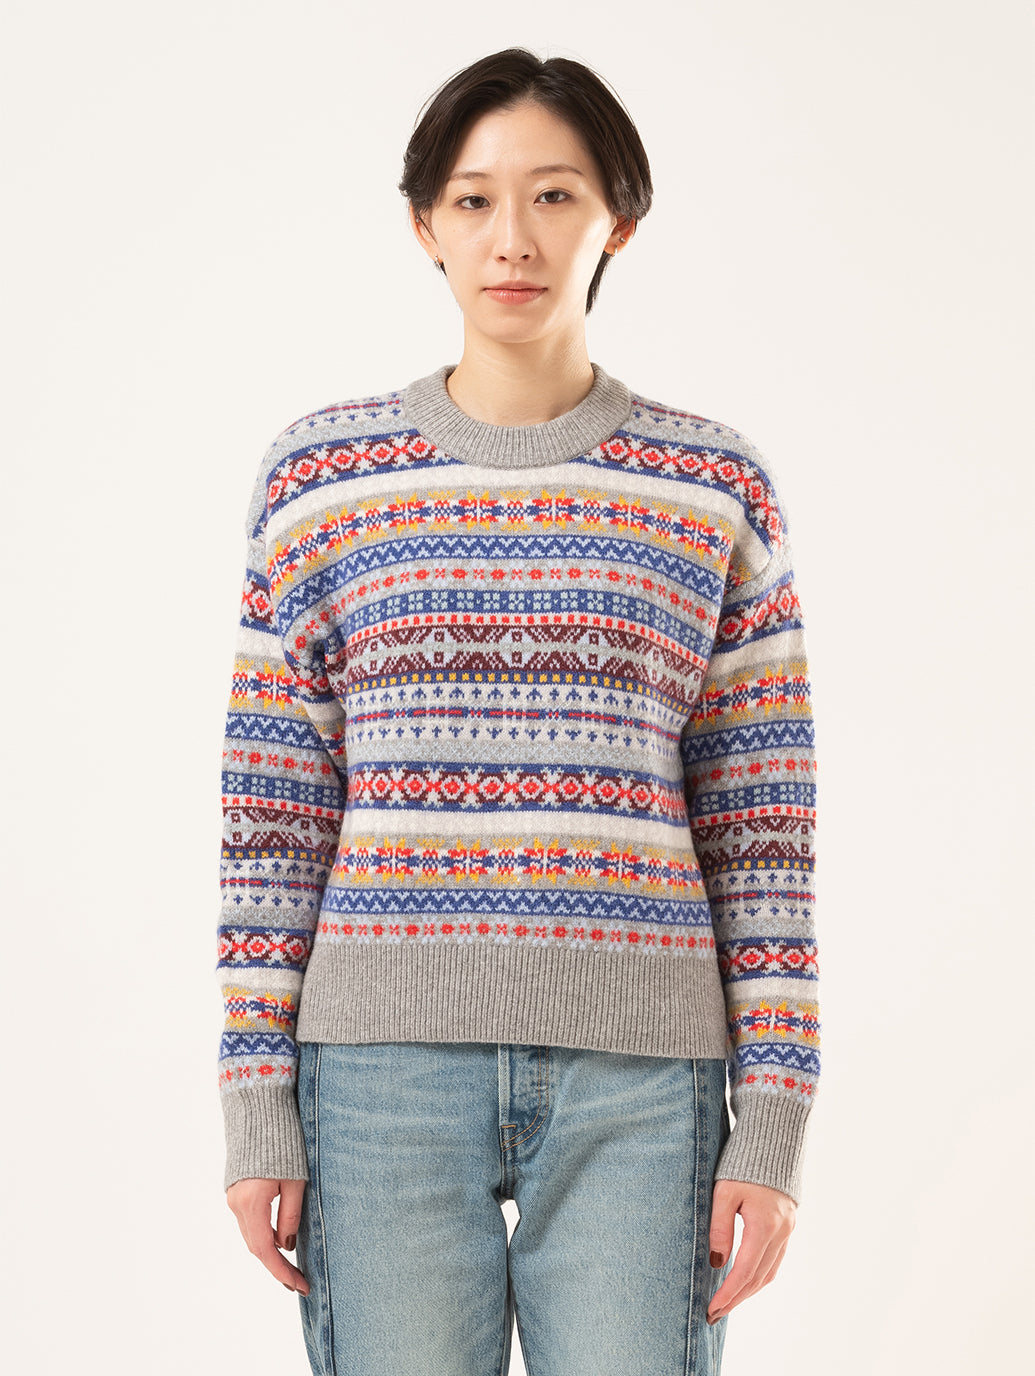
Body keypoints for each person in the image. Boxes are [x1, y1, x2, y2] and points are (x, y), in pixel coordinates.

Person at [216, 46, 820, 1376]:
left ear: (619, 221)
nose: (513, 239)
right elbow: (273, 821)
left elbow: (764, 835)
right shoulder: (322, 479)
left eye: (555, 195)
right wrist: (257, 1102)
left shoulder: (711, 486)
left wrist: (774, 1117)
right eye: (475, 199)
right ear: (424, 225)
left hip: (642, 1085)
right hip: (377, 1082)